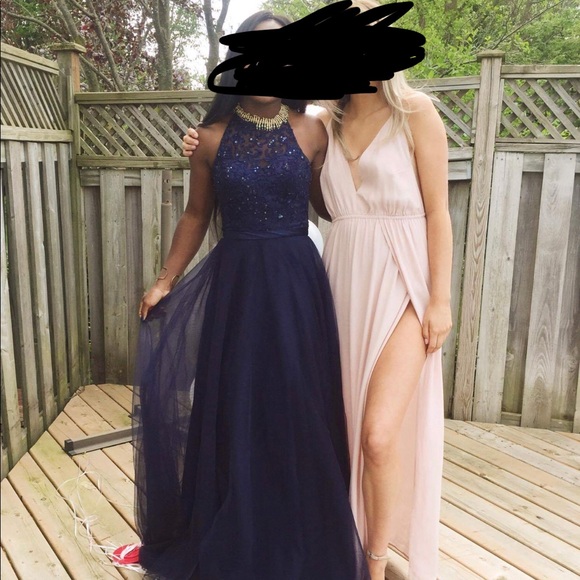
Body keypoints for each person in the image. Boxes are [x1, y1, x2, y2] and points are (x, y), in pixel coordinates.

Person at [183, 2, 453, 578]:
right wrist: (203, 143)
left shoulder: (416, 112)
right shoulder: (322, 122)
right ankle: (342, 531)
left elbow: (439, 211)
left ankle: (374, 563)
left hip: (402, 280)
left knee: (377, 433)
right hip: (341, 282)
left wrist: (440, 299)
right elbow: (295, 183)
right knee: (338, 424)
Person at [119, 10, 371, 580]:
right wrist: (165, 280)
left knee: (297, 402)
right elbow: (195, 215)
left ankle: (295, 527)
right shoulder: (208, 139)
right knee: (237, 403)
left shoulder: (314, 130)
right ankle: (238, 524)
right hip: (237, 288)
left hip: (297, 287)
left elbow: (330, 205)